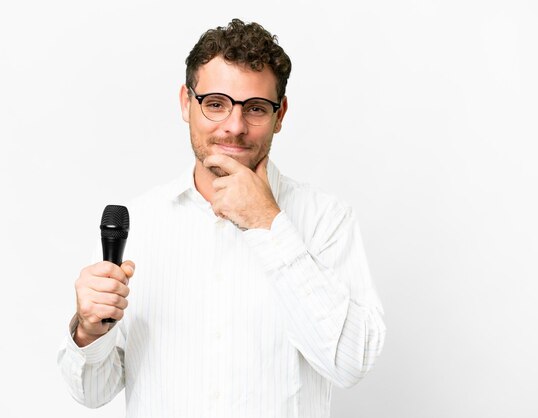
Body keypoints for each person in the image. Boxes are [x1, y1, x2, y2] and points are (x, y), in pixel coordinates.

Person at [57, 18, 385, 417]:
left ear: (280, 115)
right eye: (215, 104)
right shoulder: (139, 224)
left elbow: (350, 363)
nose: (234, 126)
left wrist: (268, 221)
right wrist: (89, 331)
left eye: (256, 108)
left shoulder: (326, 221)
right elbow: (93, 392)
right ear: (185, 103)